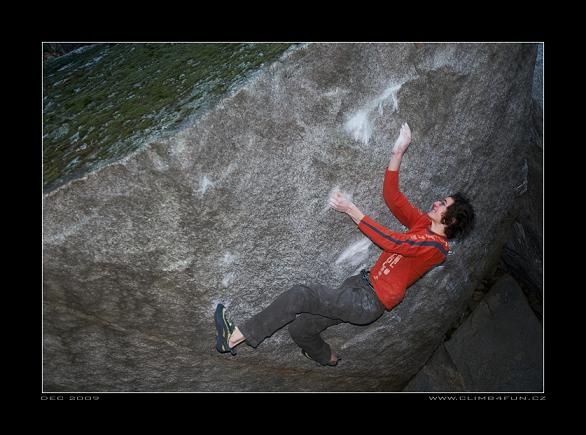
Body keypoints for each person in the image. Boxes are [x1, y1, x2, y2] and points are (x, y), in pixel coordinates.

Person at [214, 122, 475, 366]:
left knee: (301, 294)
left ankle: (234, 337)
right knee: (300, 328)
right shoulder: (423, 225)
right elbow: (393, 197)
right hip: (359, 286)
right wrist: (398, 151)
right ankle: (327, 357)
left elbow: (394, 242)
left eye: (444, 204)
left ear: (450, 220)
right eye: (441, 200)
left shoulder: (436, 248)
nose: (437, 202)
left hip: (368, 302)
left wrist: (352, 210)